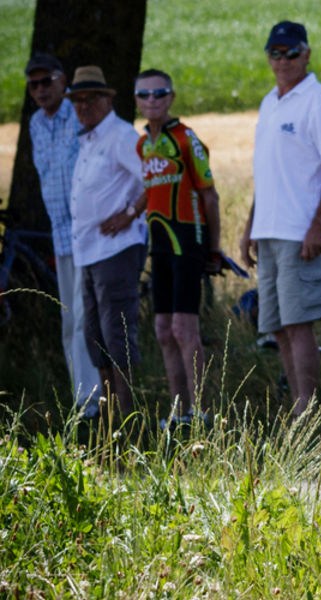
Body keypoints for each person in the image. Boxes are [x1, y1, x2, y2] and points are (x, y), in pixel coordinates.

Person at [239, 21, 321, 417]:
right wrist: (251, 225)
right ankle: (296, 404)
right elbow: (267, 171)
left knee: (300, 324)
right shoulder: (270, 102)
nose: (282, 60)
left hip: (300, 232)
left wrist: (318, 224)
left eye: (290, 53)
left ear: (306, 54)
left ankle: (308, 411)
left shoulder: (319, 100)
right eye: (275, 53)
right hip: (268, 231)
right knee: (277, 326)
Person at [114, 68, 221, 427]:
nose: (152, 100)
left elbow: (209, 195)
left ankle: (201, 412)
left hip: (188, 239)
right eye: (144, 95)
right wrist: (129, 215)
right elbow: (152, 190)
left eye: (159, 93)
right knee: (162, 329)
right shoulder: (143, 144)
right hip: (158, 244)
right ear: (136, 101)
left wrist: (213, 249)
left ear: (172, 97)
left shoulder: (186, 139)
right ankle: (179, 412)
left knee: (183, 328)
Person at [67, 65, 146, 417]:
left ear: (106, 99)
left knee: (117, 337)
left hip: (116, 250)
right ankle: (109, 421)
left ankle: (127, 423)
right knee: (95, 338)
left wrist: (129, 213)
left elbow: (154, 178)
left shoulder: (121, 135)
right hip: (88, 251)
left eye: (90, 98)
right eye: (77, 99)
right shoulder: (91, 137)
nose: (83, 105)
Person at [25, 52, 101, 415]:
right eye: (33, 84)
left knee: (88, 317)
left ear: (62, 80)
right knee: (69, 320)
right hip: (59, 235)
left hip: (88, 232)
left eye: (46, 81)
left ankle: (97, 403)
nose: (40, 90)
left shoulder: (80, 113)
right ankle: (81, 401)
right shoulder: (36, 123)